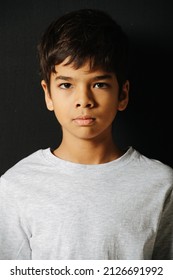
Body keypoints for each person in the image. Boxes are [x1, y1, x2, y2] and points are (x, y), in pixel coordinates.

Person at [0, 8, 172, 260]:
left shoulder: (162, 185)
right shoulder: (15, 186)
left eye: (99, 84)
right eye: (66, 85)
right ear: (48, 94)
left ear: (122, 94)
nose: (84, 100)